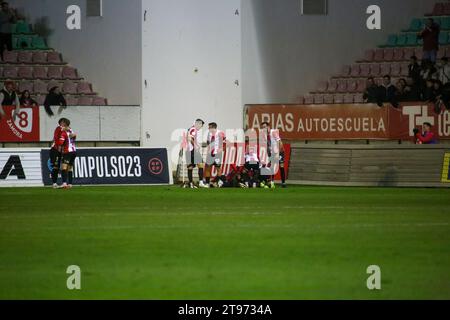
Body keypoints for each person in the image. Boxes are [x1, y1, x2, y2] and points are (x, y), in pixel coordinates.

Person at [260, 121, 286, 188]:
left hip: (280, 151)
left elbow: (280, 142)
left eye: (265, 127)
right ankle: (271, 182)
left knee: (281, 166)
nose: (264, 129)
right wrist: (269, 154)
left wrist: (279, 153)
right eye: (263, 128)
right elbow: (267, 146)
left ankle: (283, 183)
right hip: (273, 153)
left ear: (268, 127)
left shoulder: (273, 132)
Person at [49, 118, 70, 189]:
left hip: (60, 151)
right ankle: (54, 183)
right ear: (61, 123)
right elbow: (56, 138)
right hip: (55, 150)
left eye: (65, 123)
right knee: (56, 167)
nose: (64, 124)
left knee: (60, 167)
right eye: (63, 123)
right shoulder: (58, 128)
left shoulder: (65, 131)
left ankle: (62, 183)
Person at [204, 122, 226, 188]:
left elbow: (224, 141)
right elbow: (208, 141)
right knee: (207, 168)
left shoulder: (220, 133)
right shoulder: (209, 133)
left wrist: (221, 149)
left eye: (209, 127)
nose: (208, 128)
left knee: (218, 168)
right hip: (210, 154)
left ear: (213, 127)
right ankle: (207, 183)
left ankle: (219, 182)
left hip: (217, 153)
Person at [185, 119, 206, 188]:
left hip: (188, 150)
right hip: (192, 150)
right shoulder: (193, 129)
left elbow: (187, 138)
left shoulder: (190, 129)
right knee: (201, 165)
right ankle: (200, 182)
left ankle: (191, 184)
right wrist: (195, 146)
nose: (201, 127)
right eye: (201, 125)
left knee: (190, 167)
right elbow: (191, 139)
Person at [60, 125, 77, 189]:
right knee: (70, 168)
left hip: (67, 152)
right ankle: (70, 184)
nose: (62, 127)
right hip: (74, 151)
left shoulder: (64, 134)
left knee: (64, 167)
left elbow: (60, 143)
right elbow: (74, 136)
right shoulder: (72, 132)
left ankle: (64, 183)